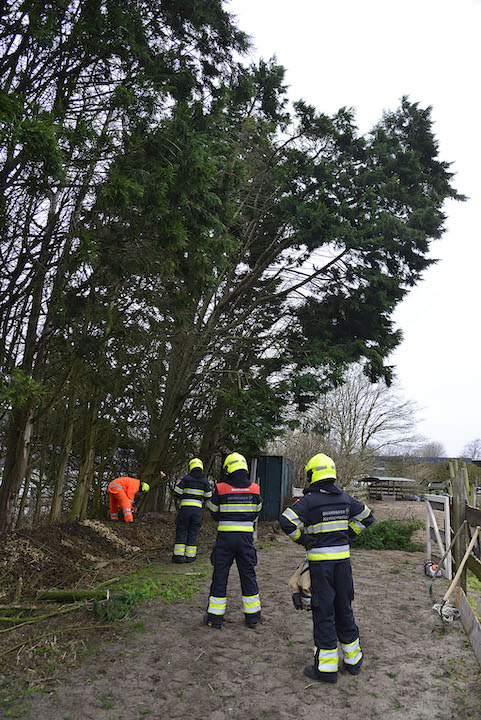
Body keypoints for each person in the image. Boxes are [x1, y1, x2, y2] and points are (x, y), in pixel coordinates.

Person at [280, 453, 374, 684]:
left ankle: (327, 669)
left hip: (320, 566)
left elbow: (286, 521)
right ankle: (353, 662)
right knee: (344, 610)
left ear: (312, 475)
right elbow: (367, 517)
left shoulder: (308, 502)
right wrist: (349, 534)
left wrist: (302, 540)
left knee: (323, 613)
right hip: (343, 565)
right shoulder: (345, 498)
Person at [204, 452, 263, 630]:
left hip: (225, 539)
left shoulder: (220, 488)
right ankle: (253, 618)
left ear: (228, 468)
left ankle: (215, 619)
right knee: (248, 575)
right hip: (245, 538)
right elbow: (257, 510)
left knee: (220, 575)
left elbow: (213, 510)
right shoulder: (254, 488)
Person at [172, 458, 212, 563]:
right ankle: (190, 557)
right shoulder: (204, 481)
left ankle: (178, 556)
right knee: (193, 532)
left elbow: (177, 492)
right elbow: (208, 496)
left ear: (191, 467)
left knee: (181, 530)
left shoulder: (186, 478)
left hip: (185, 509)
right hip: (197, 510)